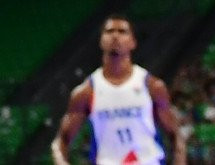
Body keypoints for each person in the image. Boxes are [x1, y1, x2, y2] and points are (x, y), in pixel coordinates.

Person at [52, 15, 185, 165]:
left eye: (122, 31)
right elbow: (60, 142)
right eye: (109, 31)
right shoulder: (86, 92)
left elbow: (176, 136)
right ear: (101, 41)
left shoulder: (152, 86)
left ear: (133, 42)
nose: (115, 36)